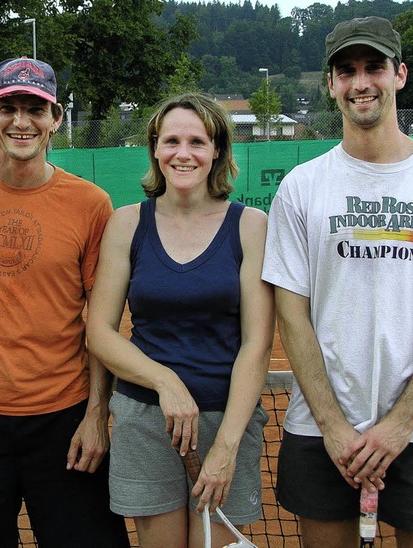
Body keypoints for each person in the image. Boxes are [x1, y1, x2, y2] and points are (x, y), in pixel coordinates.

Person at [262, 16, 413, 548]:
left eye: (374, 67)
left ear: (401, 75)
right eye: (346, 71)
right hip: (320, 432)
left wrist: (401, 423)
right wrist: (333, 426)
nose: (360, 82)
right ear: (330, 84)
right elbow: (291, 316)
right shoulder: (301, 189)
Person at [0, 56, 129, 547]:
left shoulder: (91, 204)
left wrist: (96, 415)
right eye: (9, 107)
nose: (21, 121)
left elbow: (102, 321)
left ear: (56, 119)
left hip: (64, 422)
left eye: (36, 108)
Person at [86, 92, 275, 547]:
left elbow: (257, 344)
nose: (183, 153)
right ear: (155, 148)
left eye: (198, 141)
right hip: (145, 421)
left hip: (226, 420)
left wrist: (226, 447)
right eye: (171, 140)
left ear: (217, 151)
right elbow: (99, 332)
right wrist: (165, 382)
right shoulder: (127, 223)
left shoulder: (251, 225)